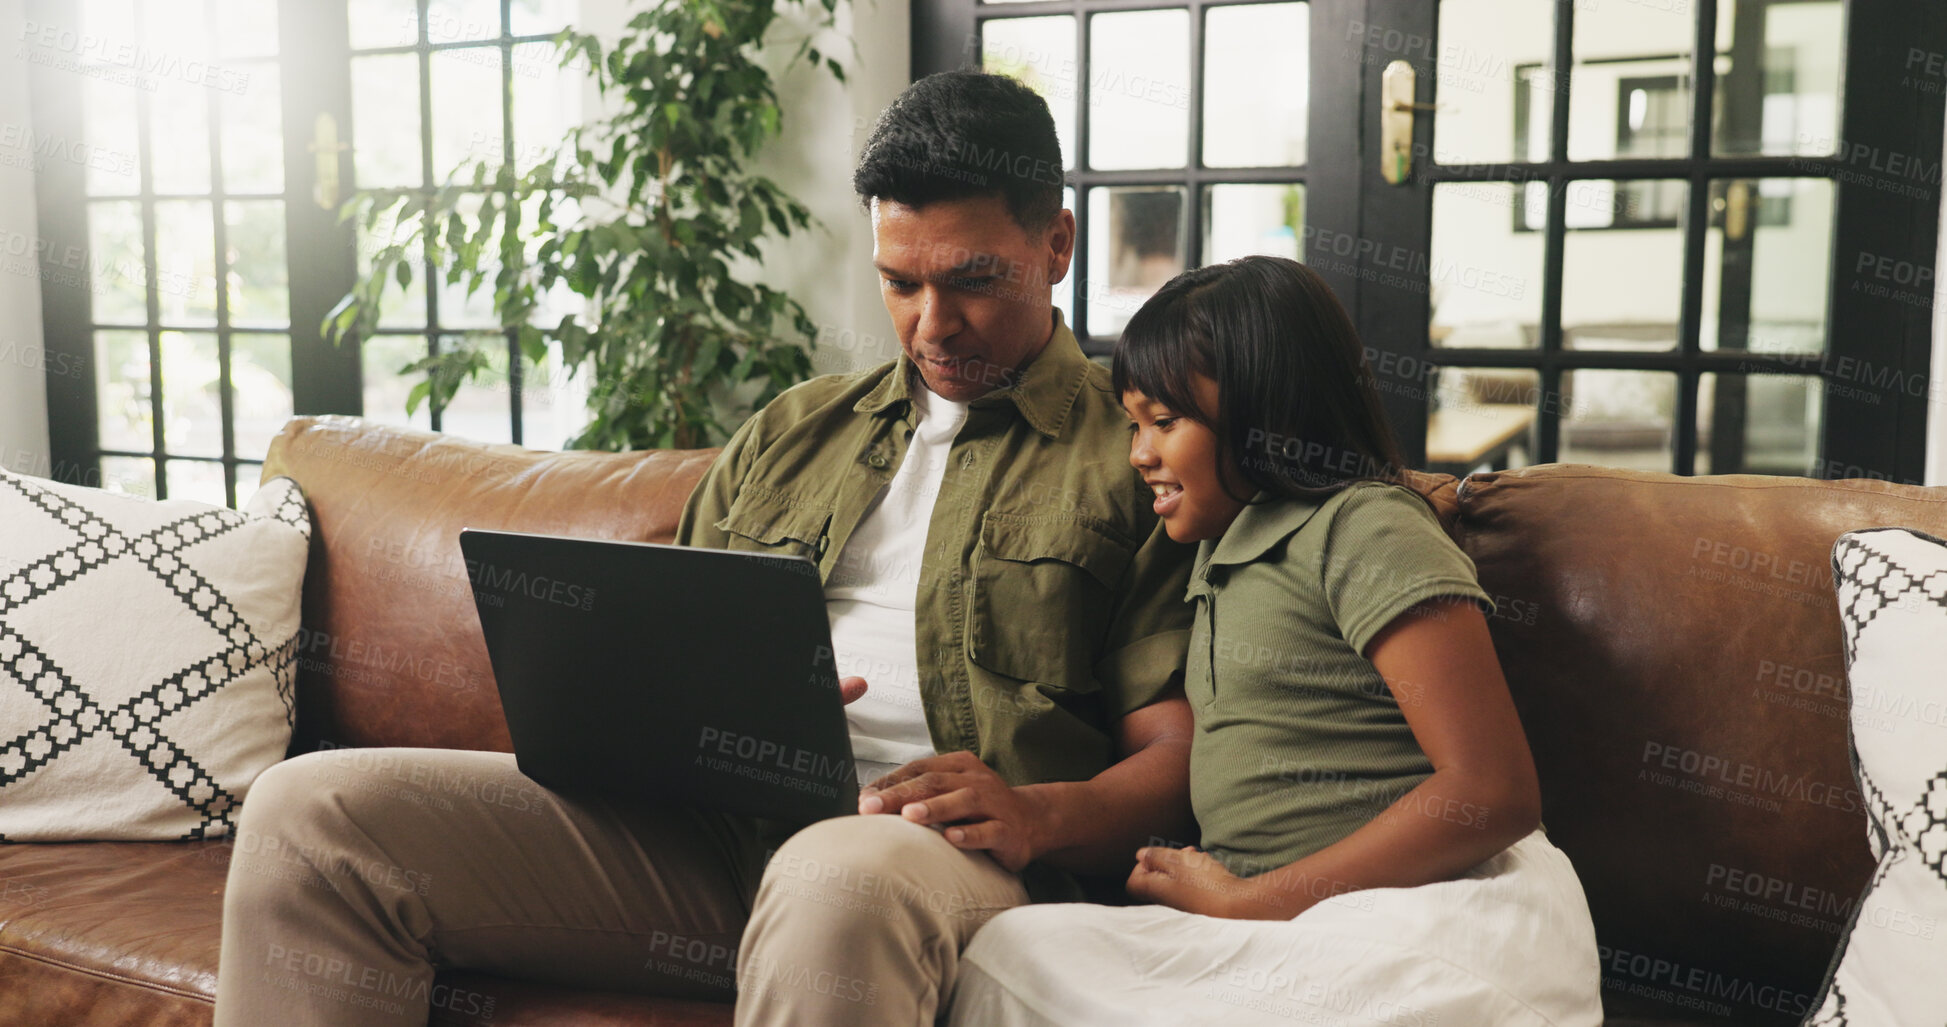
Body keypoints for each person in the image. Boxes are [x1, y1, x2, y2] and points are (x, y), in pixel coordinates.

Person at [211, 71, 1197, 1027]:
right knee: (313, 814)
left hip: (945, 862)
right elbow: (660, 650)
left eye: (973, 280)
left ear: (1056, 244)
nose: (932, 325)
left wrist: (1035, 814)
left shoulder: (1141, 452)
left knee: (833, 881)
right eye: (900, 282)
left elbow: (1172, 757)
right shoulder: (792, 431)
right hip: (708, 837)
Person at [946, 255, 1605, 1026]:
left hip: (1436, 902)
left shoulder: (1363, 526)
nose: (1138, 453)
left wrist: (1248, 901)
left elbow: (1490, 793)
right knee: (1009, 953)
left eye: (1164, 420)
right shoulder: (1215, 553)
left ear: (1271, 415)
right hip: (1283, 923)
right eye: (1133, 424)